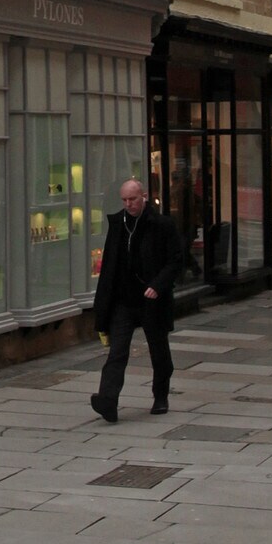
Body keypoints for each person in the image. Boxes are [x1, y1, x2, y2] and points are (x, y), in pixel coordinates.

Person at [90, 177, 186, 422]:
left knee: (158, 349)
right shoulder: (119, 224)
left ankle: (160, 396)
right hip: (124, 298)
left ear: (143, 197)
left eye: (132, 199)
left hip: (152, 299)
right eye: (124, 200)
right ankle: (107, 400)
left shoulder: (161, 225)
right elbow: (111, 263)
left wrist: (158, 285)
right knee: (117, 351)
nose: (128, 204)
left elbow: (176, 260)